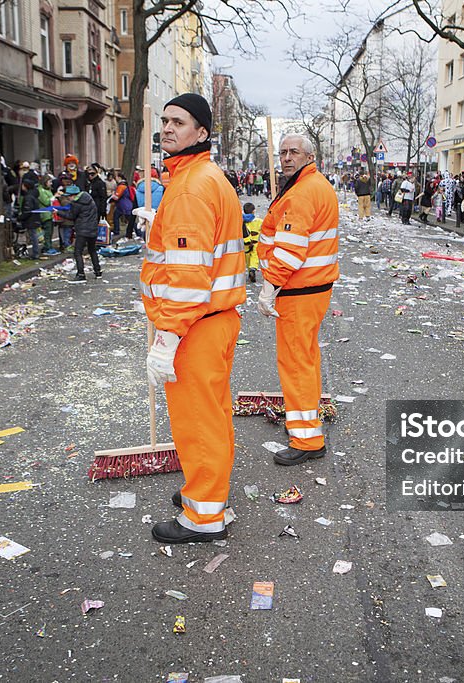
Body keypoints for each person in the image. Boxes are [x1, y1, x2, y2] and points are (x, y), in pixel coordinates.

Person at [140, 93, 246, 544]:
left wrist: (167, 336)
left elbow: (186, 275)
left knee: (197, 421)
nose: (167, 128)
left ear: (200, 133)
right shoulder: (206, 178)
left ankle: (202, 517)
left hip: (193, 326)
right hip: (214, 320)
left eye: (178, 122)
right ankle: (209, 493)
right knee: (215, 413)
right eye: (164, 121)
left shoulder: (189, 187)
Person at [257, 133, 339, 467]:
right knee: (304, 359)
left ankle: (307, 438)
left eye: (293, 152)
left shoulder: (303, 193)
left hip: (299, 291)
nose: (287, 157)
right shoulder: (312, 185)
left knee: (296, 364)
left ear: (309, 155)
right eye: (283, 152)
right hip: (311, 289)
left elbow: (290, 251)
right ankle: (305, 427)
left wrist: (269, 287)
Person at [63, 183, 101, 281]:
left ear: (73, 195)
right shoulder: (89, 199)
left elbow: (71, 216)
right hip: (93, 229)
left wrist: (58, 212)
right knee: (92, 250)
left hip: (82, 230)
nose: (68, 199)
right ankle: (97, 271)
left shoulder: (76, 204)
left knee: (78, 252)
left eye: (68, 197)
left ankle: (81, 274)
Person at [16, 176, 42, 259]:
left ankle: (35, 254)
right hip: (34, 218)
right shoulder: (33, 195)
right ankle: (35, 252)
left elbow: (27, 210)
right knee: (34, 236)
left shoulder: (28, 197)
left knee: (33, 236)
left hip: (30, 220)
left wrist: (20, 217)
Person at [242, 201, 261, 283]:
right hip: (255, 243)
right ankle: (252, 270)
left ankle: (248, 270)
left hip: (245, 244)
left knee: (247, 259)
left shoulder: (242, 221)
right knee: (254, 257)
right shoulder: (258, 221)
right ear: (254, 211)